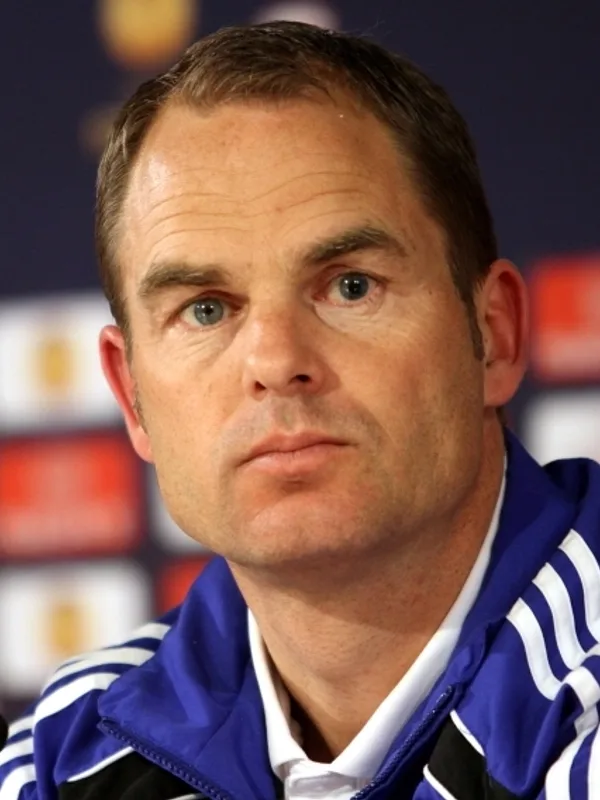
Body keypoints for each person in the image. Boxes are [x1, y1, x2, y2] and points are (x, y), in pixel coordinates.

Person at [2, 19, 599, 800]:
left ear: (494, 335)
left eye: (350, 286)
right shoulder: (65, 755)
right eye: (206, 309)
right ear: (132, 396)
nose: (276, 361)